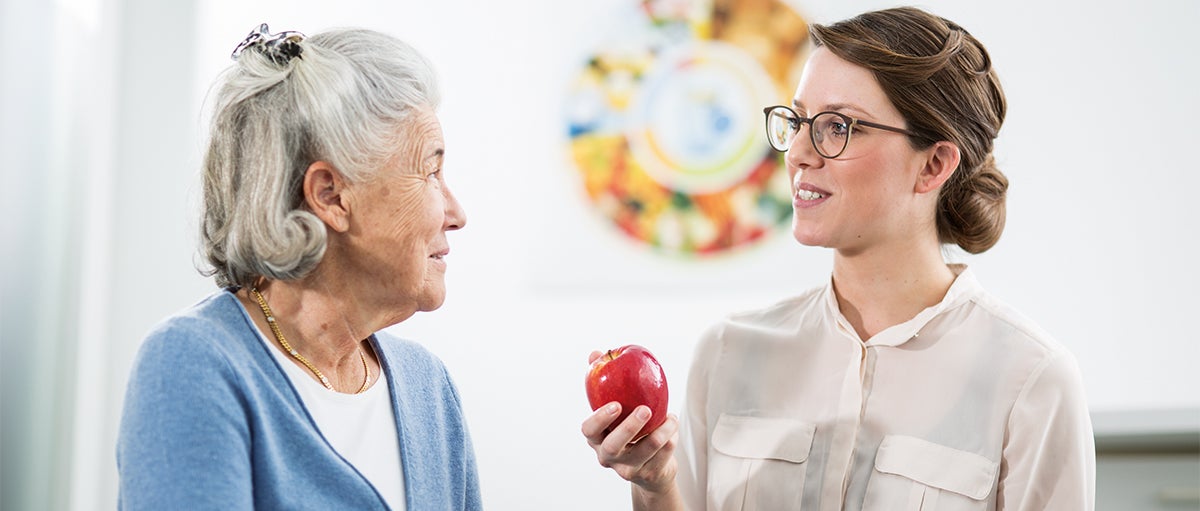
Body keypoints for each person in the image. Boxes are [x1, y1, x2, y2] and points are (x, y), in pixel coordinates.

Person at [582, 7, 1095, 510]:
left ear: (934, 164)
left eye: (839, 126)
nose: (800, 151)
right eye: (799, 120)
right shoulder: (727, 353)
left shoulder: (1031, 383)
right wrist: (655, 485)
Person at [117, 24, 480, 510]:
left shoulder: (428, 389)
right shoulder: (194, 364)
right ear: (331, 195)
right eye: (431, 172)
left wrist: (624, 481)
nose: (456, 214)